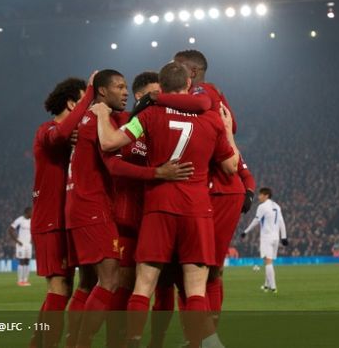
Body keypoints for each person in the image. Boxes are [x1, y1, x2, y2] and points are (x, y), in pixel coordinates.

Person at [92, 61, 240, 348]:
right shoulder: (210, 118)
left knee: (143, 285)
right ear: (187, 84)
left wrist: (100, 114)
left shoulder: (148, 115)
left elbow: (110, 143)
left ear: (161, 87)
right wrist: (228, 132)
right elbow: (231, 166)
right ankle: (200, 344)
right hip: (197, 210)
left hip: (158, 207)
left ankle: (133, 341)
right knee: (195, 288)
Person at [171, 49, 256, 314]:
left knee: (201, 269)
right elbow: (231, 131)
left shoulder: (203, 93)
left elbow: (227, 132)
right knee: (200, 270)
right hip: (212, 190)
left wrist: (154, 99)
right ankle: (200, 336)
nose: (171, 73)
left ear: (192, 73)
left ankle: (205, 338)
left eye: (177, 68)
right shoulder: (209, 94)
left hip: (217, 191)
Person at [31, 74, 94, 348]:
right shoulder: (46, 131)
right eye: (84, 102)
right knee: (59, 287)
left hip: (68, 219)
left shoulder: (74, 136)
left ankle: (38, 342)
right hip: (50, 221)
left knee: (66, 288)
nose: (87, 107)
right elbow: (61, 134)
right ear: (71, 104)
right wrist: (92, 91)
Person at [241, 187, 288, 294]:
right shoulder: (277, 206)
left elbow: (256, 221)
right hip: (276, 238)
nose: (259, 197)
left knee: (268, 262)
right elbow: (281, 222)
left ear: (266, 195)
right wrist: (284, 237)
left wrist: (246, 231)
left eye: (260, 195)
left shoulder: (262, 207)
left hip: (267, 237)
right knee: (267, 261)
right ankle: (266, 285)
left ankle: (273, 287)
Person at [9, 206, 33, 286]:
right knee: (22, 261)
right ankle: (20, 281)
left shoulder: (31, 220)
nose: (32, 213)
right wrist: (17, 241)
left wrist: (32, 239)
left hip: (28, 244)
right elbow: (10, 230)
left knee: (27, 262)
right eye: (31, 212)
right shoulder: (20, 220)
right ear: (27, 213)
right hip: (21, 244)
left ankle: (25, 280)